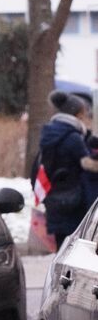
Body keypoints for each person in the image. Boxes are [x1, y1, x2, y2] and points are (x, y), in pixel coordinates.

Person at [35, 90, 98, 249]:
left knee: (61, 247)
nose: (86, 117)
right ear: (77, 114)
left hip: (56, 199)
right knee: (72, 249)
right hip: (73, 202)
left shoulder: (51, 133)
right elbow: (87, 164)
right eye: (84, 113)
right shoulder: (73, 137)